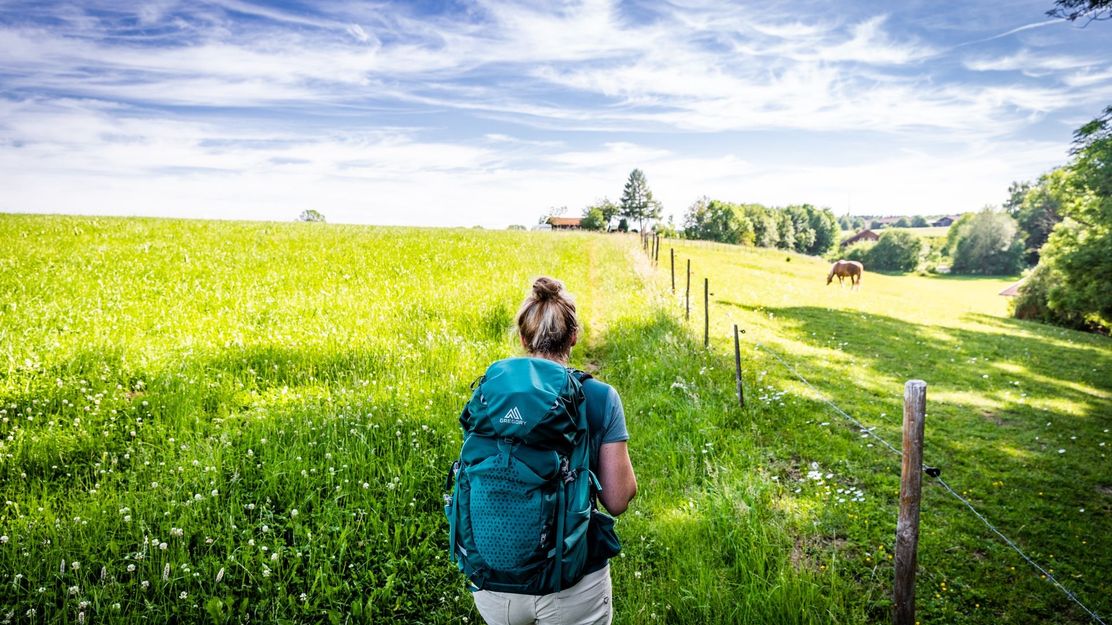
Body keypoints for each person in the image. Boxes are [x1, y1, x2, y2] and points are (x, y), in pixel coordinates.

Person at [471, 276, 637, 625]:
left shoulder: (490, 392)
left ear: (522, 337)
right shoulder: (600, 397)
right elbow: (618, 500)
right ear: (574, 336)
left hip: (492, 577)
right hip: (571, 580)